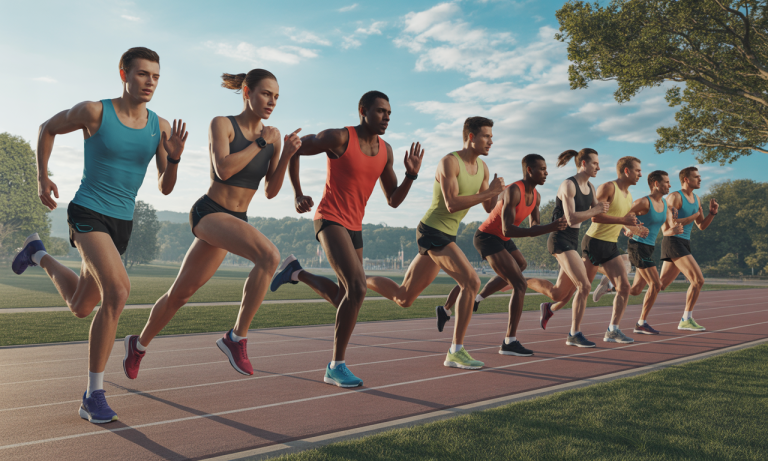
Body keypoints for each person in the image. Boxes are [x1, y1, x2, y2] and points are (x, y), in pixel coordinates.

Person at [12, 47, 188, 424]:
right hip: (88, 212)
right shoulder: (95, 112)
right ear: (123, 74)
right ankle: (93, 394)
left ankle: (37, 252)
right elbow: (46, 128)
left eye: (156, 76)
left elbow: (165, 186)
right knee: (119, 291)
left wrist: (173, 158)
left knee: (81, 306)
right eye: (142, 74)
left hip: (121, 224)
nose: (150, 82)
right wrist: (42, 176)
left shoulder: (160, 126)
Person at [122, 69, 302, 379]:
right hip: (209, 212)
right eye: (265, 94)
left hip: (236, 220)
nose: (272, 101)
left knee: (180, 294)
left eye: (276, 96)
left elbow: (271, 191)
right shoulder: (223, 124)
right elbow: (224, 169)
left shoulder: (273, 138)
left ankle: (137, 345)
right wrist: (261, 142)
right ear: (247, 92)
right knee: (270, 256)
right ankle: (236, 338)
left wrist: (285, 153)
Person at [270, 91, 424, 387]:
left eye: (389, 113)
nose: (386, 117)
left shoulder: (386, 151)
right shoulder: (339, 137)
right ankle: (335, 366)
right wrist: (297, 193)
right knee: (358, 288)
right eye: (380, 111)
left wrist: (411, 176)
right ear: (363, 110)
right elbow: (296, 149)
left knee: (346, 298)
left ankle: (296, 272)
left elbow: (393, 200)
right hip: (329, 218)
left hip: (355, 226)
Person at [365, 116, 504, 370]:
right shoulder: (449, 162)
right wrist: (489, 192)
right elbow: (451, 204)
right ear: (471, 137)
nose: (491, 141)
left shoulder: (483, 168)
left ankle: (360, 280)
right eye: (486, 136)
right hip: (432, 231)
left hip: (447, 235)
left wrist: (496, 194)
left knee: (404, 298)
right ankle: (456, 351)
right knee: (471, 282)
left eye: (491, 137)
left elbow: (487, 206)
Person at [435, 154, 567, 357]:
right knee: (519, 284)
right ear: (529, 170)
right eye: (542, 169)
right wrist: (551, 227)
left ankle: (453, 307)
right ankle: (509, 342)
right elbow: (508, 229)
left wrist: (553, 225)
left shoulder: (537, 197)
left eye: (546, 169)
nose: (546, 173)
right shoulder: (514, 191)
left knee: (520, 265)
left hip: (502, 238)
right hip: (487, 237)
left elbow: (534, 227)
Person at [521, 149, 607, 347]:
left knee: (558, 294)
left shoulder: (591, 187)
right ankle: (574, 334)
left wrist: (627, 224)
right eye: (595, 163)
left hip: (573, 240)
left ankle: (527, 286)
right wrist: (596, 209)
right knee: (584, 286)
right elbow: (571, 218)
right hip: (560, 239)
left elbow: (598, 215)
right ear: (583, 164)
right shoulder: (568, 185)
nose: (599, 167)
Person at [579, 157, 647, 344]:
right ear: (626, 171)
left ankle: (612, 330)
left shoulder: (629, 196)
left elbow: (623, 219)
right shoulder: (608, 188)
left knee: (624, 287)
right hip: (594, 242)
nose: (640, 174)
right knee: (580, 289)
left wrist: (635, 229)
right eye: (637, 171)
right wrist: (624, 221)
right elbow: (595, 217)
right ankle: (556, 312)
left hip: (610, 245)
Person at [620, 170, 684, 334]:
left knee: (635, 290)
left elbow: (667, 227)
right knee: (656, 284)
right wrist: (631, 229)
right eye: (666, 182)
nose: (670, 185)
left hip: (649, 248)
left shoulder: (664, 205)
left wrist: (673, 222)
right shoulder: (643, 202)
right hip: (637, 246)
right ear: (656, 184)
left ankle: (611, 285)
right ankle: (641, 323)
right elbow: (622, 217)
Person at [658, 166, 718, 331]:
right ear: (686, 179)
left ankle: (615, 287)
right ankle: (686, 319)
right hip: (673, 241)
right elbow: (671, 224)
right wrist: (694, 216)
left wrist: (712, 214)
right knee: (698, 280)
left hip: (684, 242)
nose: (700, 179)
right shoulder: (674, 197)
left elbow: (701, 225)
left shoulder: (697, 198)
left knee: (660, 285)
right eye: (696, 177)